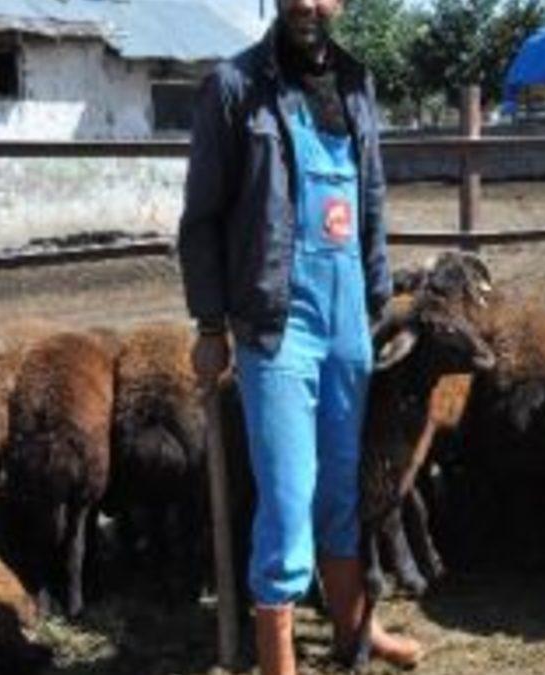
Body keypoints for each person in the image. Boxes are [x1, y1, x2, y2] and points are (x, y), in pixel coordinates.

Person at [177, 0, 422, 672]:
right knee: (287, 499)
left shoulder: (357, 82)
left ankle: (352, 630)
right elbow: (201, 219)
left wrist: (377, 300)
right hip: (276, 320)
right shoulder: (234, 87)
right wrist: (209, 324)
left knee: (341, 489)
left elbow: (372, 195)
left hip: (347, 319)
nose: (307, 4)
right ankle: (276, 656)